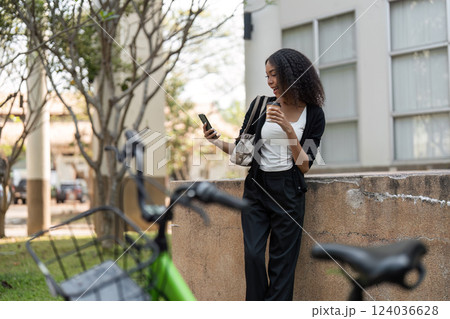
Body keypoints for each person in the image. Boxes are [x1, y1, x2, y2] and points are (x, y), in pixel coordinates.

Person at [203, 48, 325, 301]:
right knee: (254, 255)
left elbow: (305, 165)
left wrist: (288, 129)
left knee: (283, 265)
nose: (270, 82)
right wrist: (215, 141)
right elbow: (243, 153)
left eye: (274, 75)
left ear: (291, 74)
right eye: (267, 76)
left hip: (289, 191)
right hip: (257, 189)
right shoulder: (260, 105)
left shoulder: (313, 114)